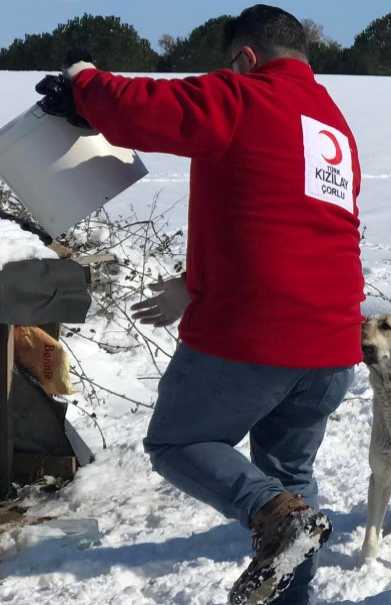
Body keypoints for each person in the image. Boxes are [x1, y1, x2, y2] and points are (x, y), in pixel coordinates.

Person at [36, 5, 364, 604]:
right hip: (332, 346)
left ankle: (270, 511)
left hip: (256, 337)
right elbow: (281, 221)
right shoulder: (331, 124)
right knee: (292, 480)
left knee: (177, 443)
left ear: (245, 58)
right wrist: (196, 278)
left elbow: (144, 112)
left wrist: (84, 82)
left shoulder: (243, 96)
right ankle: (290, 572)